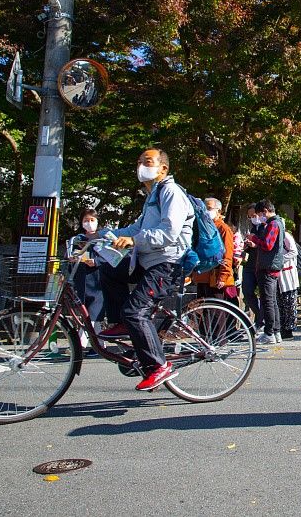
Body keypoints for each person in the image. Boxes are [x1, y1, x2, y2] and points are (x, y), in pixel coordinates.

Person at [108, 148, 193, 391]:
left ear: (163, 168)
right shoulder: (152, 196)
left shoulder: (171, 192)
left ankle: (158, 366)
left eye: (147, 162)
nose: (141, 167)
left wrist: (135, 241)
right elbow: (135, 229)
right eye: (138, 162)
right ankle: (122, 324)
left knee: (136, 311)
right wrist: (102, 235)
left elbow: (169, 232)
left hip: (167, 263)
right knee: (109, 270)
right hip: (146, 260)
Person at [246, 200, 286, 344]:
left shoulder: (273, 224)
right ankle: (276, 331)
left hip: (268, 266)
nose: (259, 217)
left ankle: (269, 332)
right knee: (272, 301)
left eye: (259, 214)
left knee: (267, 301)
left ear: (265, 211)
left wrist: (254, 238)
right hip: (273, 266)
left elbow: (268, 245)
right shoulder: (279, 223)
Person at [68, 208, 107, 349]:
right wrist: (73, 260)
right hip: (82, 280)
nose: (89, 223)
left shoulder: (103, 238)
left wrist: (96, 262)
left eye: (92, 220)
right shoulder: (78, 239)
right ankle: (100, 346)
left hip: (98, 281)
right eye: (86, 220)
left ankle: (81, 344)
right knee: (89, 316)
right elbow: (72, 260)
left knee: (93, 314)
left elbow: (111, 258)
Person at [193, 198, 236, 304]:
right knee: (202, 311)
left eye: (209, 208)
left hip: (215, 276)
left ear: (219, 211)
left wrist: (223, 275)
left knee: (215, 312)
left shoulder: (223, 229)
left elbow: (228, 255)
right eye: (204, 208)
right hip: (202, 274)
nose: (206, 211)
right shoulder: (202, 227)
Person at [240, 204, 262, 332]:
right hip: (250, 263)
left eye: (254, 216)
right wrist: (247, 245)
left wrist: (256, 245)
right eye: (250, 217)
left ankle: (262, 321)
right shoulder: (253, 228)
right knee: (247, 291)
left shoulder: (267, 227)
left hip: (263, 264)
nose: (252, 219)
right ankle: (259, 315)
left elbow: (270, 246)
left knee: (265, 295)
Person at [277, 218, 300, 339]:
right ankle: (281, 327)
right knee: (280, 302)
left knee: (289, 303)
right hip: (278, 274)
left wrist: (279, 261)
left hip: (287, 273)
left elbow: (293, 251)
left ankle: (289, 329)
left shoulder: (285, 236)